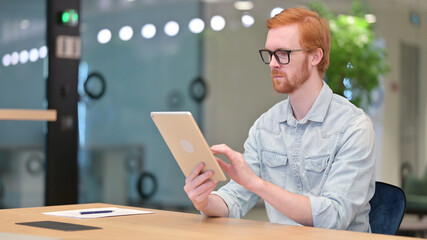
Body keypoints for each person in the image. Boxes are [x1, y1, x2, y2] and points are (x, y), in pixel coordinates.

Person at [183, 7, 376, 232]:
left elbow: (333, 217)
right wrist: (204, 201)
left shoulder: (354, 126)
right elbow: (233, 201)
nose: (274, 63)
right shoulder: (266, 126)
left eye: (283, 53)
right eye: (270, 54)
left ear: (315, 56)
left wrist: (256, 183)